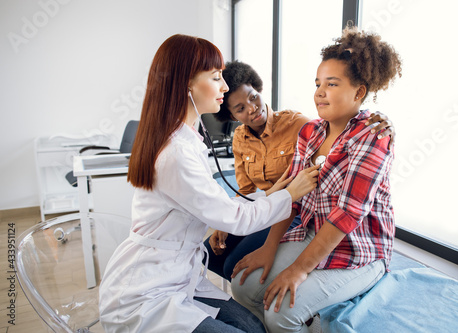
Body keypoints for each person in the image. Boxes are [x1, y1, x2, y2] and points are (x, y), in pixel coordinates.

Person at [98, 34, 320, 333]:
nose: (225, 87)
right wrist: (288, 193)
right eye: (216, 78)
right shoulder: (176, 152)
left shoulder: (185, 138)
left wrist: (278, 192)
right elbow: (235, 213)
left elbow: (226, 203)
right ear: (186, 84)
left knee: (253, 327)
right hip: (148, 289)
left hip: (176, 271)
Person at [230, 26, 402, 333]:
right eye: (318, 83)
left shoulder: (373, 137)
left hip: (361, 250)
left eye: (332, 84)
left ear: (359, 92)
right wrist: (269, 247)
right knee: (243, 288)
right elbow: (292, 196)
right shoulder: (311, 132)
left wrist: (298, 270)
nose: (320, 92)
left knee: (281, 314)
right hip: (313, 233)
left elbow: (347, 215)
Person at [203, 60, 396, 282]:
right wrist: (226, 223)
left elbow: (337, 130)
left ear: (258, 90)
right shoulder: (239, 139)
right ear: (232, 116)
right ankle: (248, 302)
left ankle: (251, 304)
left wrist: (384, 121)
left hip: (291, 210)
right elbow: (245, 190)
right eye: (240, 109)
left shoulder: (298, 124)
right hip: (267, 207)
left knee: (233, 265)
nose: (252, 108)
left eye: (253, 97)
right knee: (210, 255)